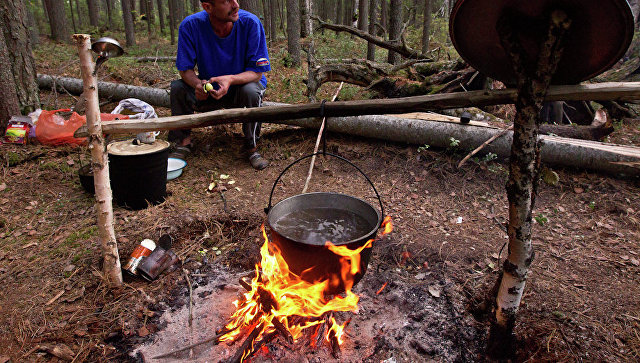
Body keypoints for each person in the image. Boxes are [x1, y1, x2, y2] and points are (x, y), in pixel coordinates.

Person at [169, 0, 271, 170]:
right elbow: (185, 69)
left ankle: (251, 147)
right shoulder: (191, 26)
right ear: (208, 7)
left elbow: (257, 72)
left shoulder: (251, 23)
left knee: (252, 91)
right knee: (178, 88)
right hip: (211, 89)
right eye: (226, 1)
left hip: (241, 87)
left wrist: (230, 79)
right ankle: (183, 142)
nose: (236, 5)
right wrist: (198, 85)